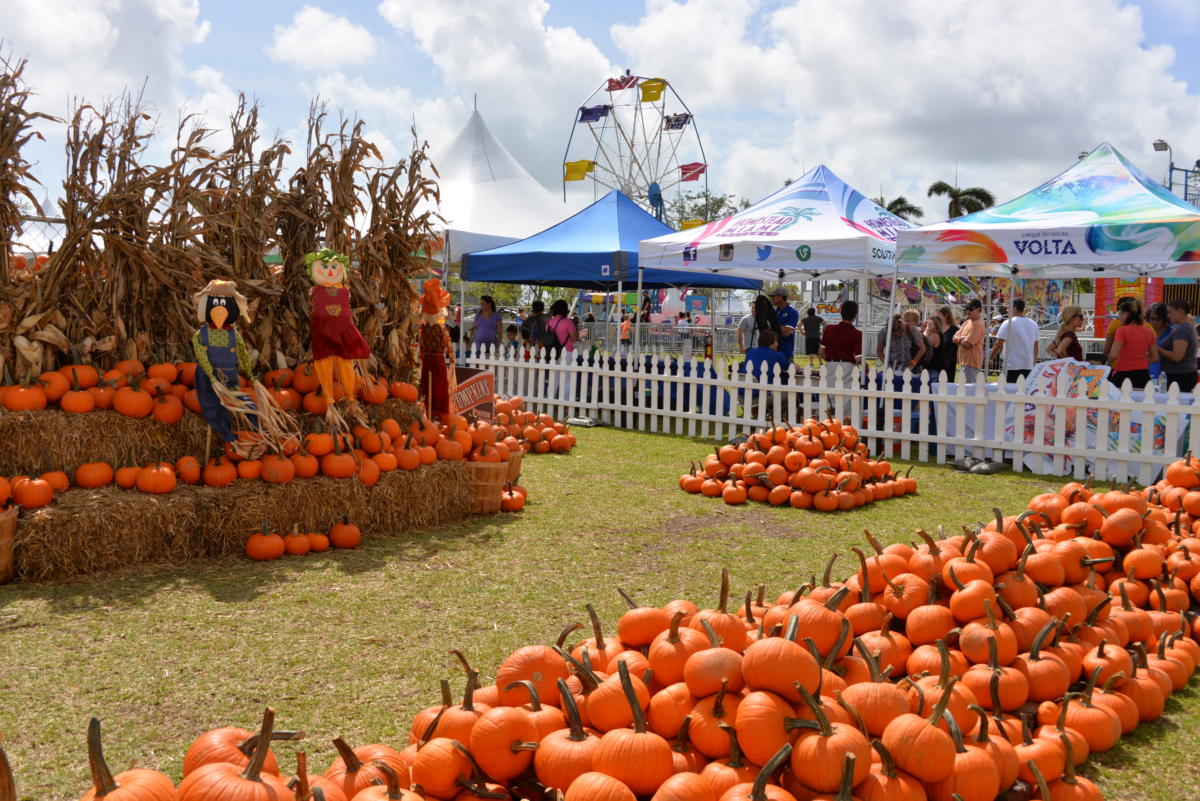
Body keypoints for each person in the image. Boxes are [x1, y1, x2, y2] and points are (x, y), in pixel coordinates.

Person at [1108, 298, 1155, 389]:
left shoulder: (1122, 330)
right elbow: (1155, 357)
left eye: (1120, 314)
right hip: (1143, 374)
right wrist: (1140, 362)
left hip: (1123, 373)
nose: (1119, 317)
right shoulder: (1148, 331)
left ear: (1127, 314)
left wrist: (1107, 364)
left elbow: (1113, 354)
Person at [989, 298, 1038, 383]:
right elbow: (1036, 347)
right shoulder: (1034, 324)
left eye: (1008, 308)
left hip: (1012, 365)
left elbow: (998, 343)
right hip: (1028, 365)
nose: (1007, 310)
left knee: (1010, 392)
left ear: (1014, 308)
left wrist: (991, 358)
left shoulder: (1008, 323)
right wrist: (1033, 363)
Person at [1157, 299, 1198, 392]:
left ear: (1180, 311)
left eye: (1170, 312)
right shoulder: (1188, 328)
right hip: (1184, 373)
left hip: (1179, 375)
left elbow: (1177, 357)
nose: (1168, 316)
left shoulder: (1182, 330)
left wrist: (1158, 349)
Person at [547, 299, 579, 400]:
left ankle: (550, 399)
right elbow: (575, 338)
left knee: (553, 379)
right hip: (567, 352)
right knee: (567, 379)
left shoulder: (549, 322)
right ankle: (565, 402)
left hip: (552, 352)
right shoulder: (568, 322)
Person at [953, 299, 986, 383]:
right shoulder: (967, 322)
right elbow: (954, 337)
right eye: (966, 309)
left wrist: (959, 339)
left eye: (970, 309)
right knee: (964, 389)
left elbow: (968, 344)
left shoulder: (978, 323)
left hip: (971, 362)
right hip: (964, 361)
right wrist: (962, 338)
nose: (968, 311)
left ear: (978, 309)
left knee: (968, 390)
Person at [771, 287, 800, 360]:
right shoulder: (775, 311)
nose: (772, 299)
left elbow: (786, 332)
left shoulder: (792, 312)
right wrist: (781, 327)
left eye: (773, 296)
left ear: (780, 297)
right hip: (773, 351)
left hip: (786, 352)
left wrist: (774, 326)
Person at [1147, 303, 1171, 382]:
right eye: (1152, 318)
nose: (1154, 322)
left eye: (1158, 319)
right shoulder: (1146, 331)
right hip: (1146, 371)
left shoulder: (1172, 332)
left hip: (1165, 373)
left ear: (1164, 318)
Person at [935, 306, 959, 382]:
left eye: (939, 315)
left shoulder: (954, 329)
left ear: (946, 315)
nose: (936, 317)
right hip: (937, 362)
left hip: (949, 363)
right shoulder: (935, 328)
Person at [921, 313, 946, 381]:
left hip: (933, 368)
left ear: (935, 324)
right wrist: (922, 330)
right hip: (929, 367)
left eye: (929, 322)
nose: (927, 324)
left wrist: (926, 329)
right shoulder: (930, 333)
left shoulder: (936, 335)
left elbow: (924, 343)